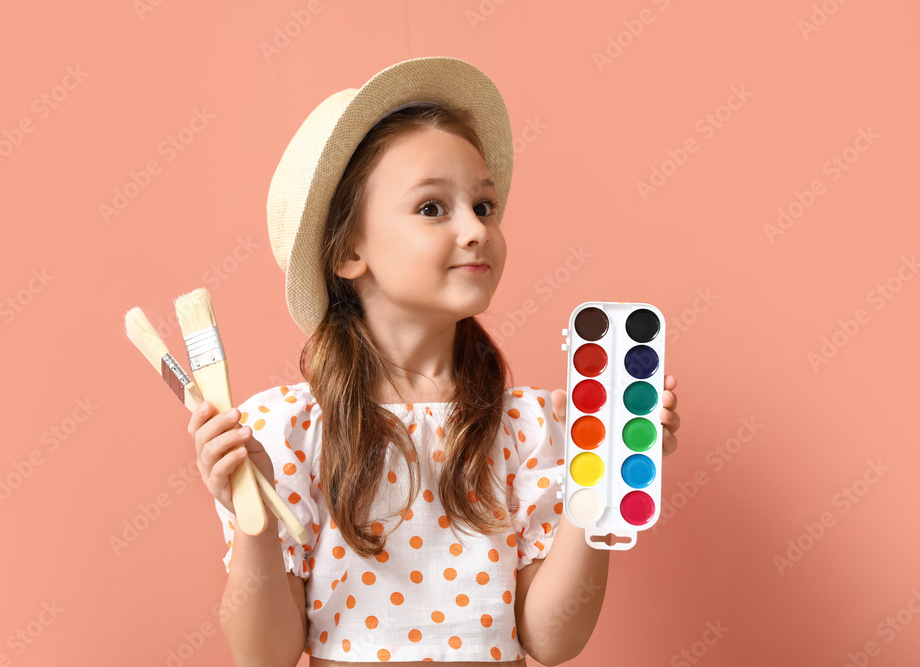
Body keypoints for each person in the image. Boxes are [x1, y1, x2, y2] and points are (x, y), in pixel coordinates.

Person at [188, 56, 681, 667]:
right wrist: (255, 518)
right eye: (432, 208)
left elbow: (551, 640)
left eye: (484, 205)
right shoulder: (282, 433)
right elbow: (264, 655)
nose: (475, 229)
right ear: (346, 251)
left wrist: (601, 476)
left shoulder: (529, 428)